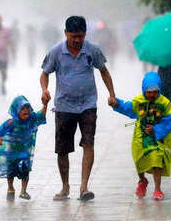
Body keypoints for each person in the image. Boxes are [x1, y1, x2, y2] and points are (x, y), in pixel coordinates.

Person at [40, 16, 117, 202]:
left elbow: (104, 71)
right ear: (65, 33)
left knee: (88, 143)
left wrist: (112, 94)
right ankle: (65, 186)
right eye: (73, 36)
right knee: (62, 149)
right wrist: (45, 90)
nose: (77, 40)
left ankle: (84, 187)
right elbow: (44, 74)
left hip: (88, 105)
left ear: (85, 34)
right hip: (64, 106)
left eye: (80, 36)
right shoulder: (56, 52)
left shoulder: (92, 50)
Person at [110, 71, 171, 201]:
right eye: (149, 91)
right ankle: (142, 181)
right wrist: (116, 103)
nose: (152, 94)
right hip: (140, 138)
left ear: (159, 90)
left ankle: (157, 189)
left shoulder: (165, 103)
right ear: (144, 90)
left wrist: (156, 130)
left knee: (156, 160)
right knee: (139, 160)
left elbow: (169, 120)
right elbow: (128, 108)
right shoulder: (139, 101)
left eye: (155, 91)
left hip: (157, 139)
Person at [0, 95, 47, 201]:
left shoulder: (31, 120)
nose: (25, 110)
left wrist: (45, 105)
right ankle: (10, 187)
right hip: (11, 154)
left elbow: (40, 115)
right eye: (22, 108)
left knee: (25, 170)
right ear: (16, 110)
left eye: (27, 108)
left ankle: (23, 190)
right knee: (11, 172)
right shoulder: (11, 122)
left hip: (24, 152)